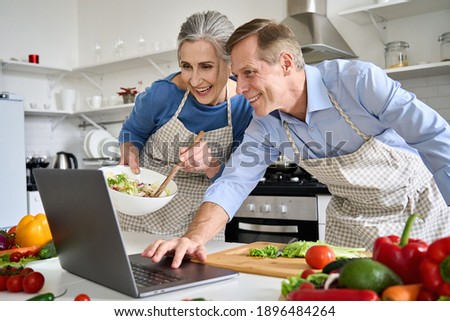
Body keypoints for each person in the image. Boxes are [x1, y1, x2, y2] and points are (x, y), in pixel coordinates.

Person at [143, 18, 450, 268]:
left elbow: (433, 137)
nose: (241, 87)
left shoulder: (358, 83)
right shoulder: (265, 123)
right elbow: (233, 182)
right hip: (351, 220)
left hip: (416, 211)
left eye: (249, 73)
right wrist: (193, 238)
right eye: (237, 76)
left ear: (286, 63)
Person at [118, 11, 253, 241]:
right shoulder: (163, 94)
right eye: (186, 66)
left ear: (231, 64)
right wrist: (128, 153)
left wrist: (210, 164)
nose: (195, 79)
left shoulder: (243, 107)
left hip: (199, 222)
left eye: (206, 66)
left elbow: (237, 177)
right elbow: (132, 132)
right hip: (140, 217)